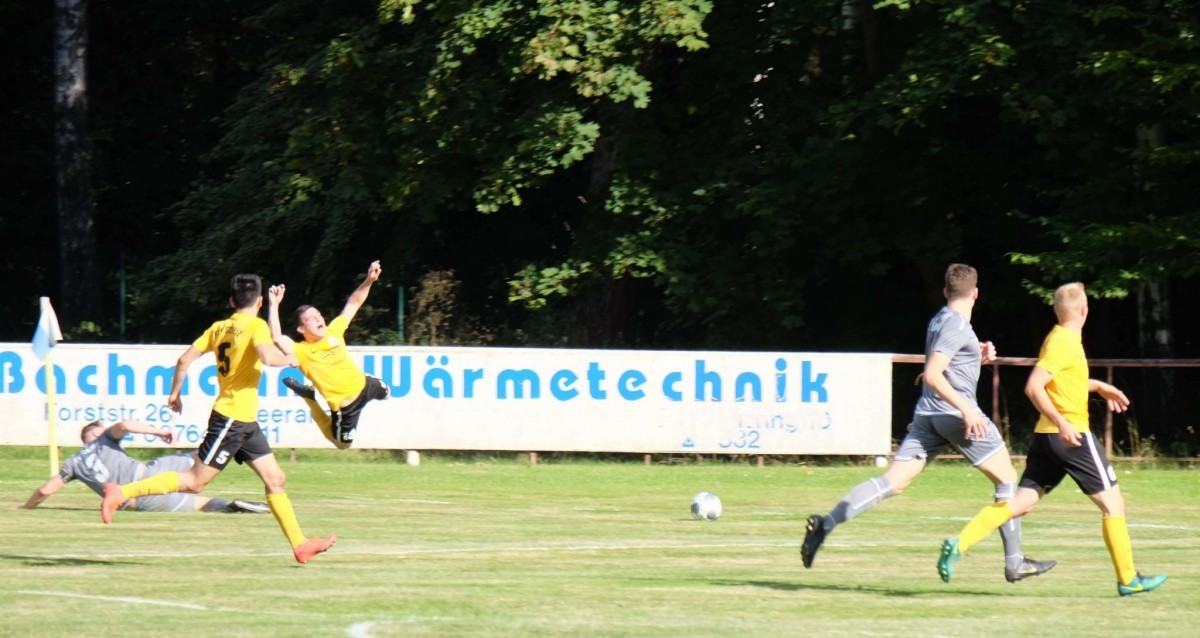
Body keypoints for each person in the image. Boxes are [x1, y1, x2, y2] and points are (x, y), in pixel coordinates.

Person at [801, 263, 1055, 583]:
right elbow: (933, 374)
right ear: (976, 293)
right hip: (955, 416)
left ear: (946, 291)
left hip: (928, 417)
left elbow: (948, 361)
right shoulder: (957, 326)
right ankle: (1014, 562)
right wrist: (967, 410)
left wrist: (975, 354)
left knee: (892, 482)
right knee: (1007, 480)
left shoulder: (941, 319)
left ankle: (825, 524)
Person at [937, 282, 1167, 596]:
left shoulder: (1058, 338)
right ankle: (1128, 580)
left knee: (1020, 503)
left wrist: (1099, 387)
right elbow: (1034, 386)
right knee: (1113, 504)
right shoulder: (1066, 343)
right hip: (1071, 436)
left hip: (1047, 438)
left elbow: (1062, 381)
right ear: (1084, 310)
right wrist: (1063, 423)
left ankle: (959, 544)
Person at [101, 273, 335, 564]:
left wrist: (175, 393)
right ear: (260, 302)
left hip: (244, 421)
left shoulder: (218, 328)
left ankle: (300, 545)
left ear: (232, 302)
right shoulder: (256, 326)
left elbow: (184, 359)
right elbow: (267, 357)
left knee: (276, 479)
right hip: (231, 419)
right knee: (194, 482)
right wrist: (292, 359)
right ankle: (122, 492)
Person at [266, 260, 390, 449]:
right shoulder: (301, 351)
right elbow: (276, 337)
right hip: (345, 407)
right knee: (342, 445)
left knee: (387, 393)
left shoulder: (334, 331)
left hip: (365, 385)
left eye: (318, 315)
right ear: (301, 329)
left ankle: (369, 381)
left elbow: (354, 302)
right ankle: (309, 398)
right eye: (311, 318)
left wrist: (369, 280)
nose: (318, 318)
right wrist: (274, 305)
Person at [21, 420, 268, 514]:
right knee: (198, 459)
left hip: (136, 504)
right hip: (150, 474)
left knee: (203, 504)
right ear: (96, 434)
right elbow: (125, 425)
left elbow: (45, 490)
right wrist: (159, 432)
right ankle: (236, 446)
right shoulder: (104, 438)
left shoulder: (73, 463)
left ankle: (234, 506)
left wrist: (26, 507)